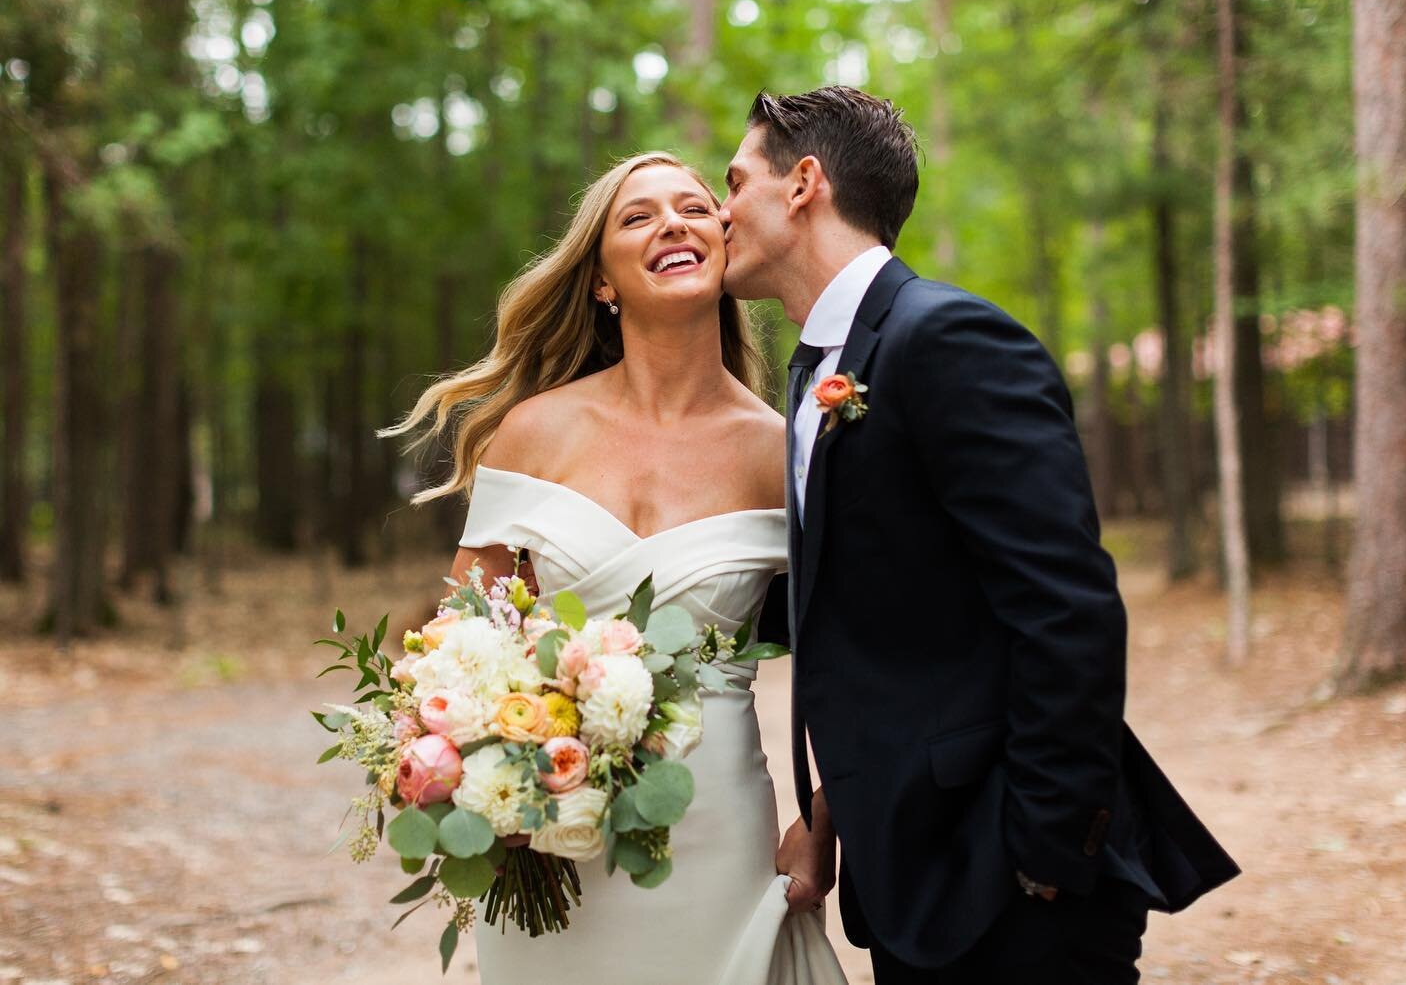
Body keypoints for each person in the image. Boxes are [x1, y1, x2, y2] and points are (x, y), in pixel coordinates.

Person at [719, 86, 1241, 985]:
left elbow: (1066, 608)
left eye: (734, 181)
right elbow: (878, 625)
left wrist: (1045, 852)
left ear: (804, 183)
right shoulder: (818, 373)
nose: (720, 210)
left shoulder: (948, 338)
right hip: (913, 877)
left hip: (1009, 885)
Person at [383, 152, 848, 985]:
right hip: (547, 828)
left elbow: (852, 657)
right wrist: (463, 775)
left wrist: (826, 817)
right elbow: (450, 645)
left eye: (696, 209)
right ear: (602, 281)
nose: (672, 223)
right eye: (638, 217)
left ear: (727, 247)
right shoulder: (533, 433)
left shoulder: (782, 451)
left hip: (716, 828)